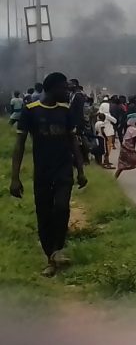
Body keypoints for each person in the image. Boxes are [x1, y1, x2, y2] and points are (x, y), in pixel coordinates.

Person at [10, 72, 88, 277]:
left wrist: (80, 170)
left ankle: (58, 249)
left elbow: (73, 143)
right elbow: (19, 146)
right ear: (52, 88)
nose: (67, 91)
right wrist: (15, 178)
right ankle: (51, 257)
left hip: (63, 170)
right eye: (64, 88)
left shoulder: (66, 111)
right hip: (42, 172)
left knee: (61, 207)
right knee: (44, 214)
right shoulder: (31, 111)